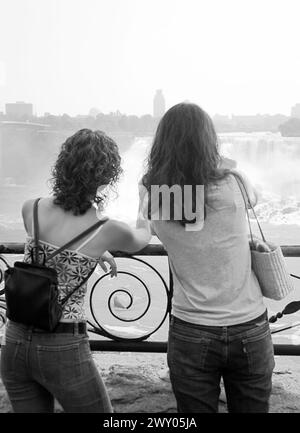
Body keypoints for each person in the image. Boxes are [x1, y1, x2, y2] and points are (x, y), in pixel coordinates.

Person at [0, 129, 151, 413]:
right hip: (62, 347)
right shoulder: (107, 230)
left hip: (15, 341)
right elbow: (142, 238)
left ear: (62, 166)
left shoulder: (30, 208)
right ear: (108, 177)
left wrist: (96, 250)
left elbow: (47, 254)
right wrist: (144, 204)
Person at [140, 103, 275, 413]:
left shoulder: (158, 196)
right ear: (208, 141)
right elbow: (251, 198)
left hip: (192, 328)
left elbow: (184, 219)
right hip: (248, 325)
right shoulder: (235, 184)